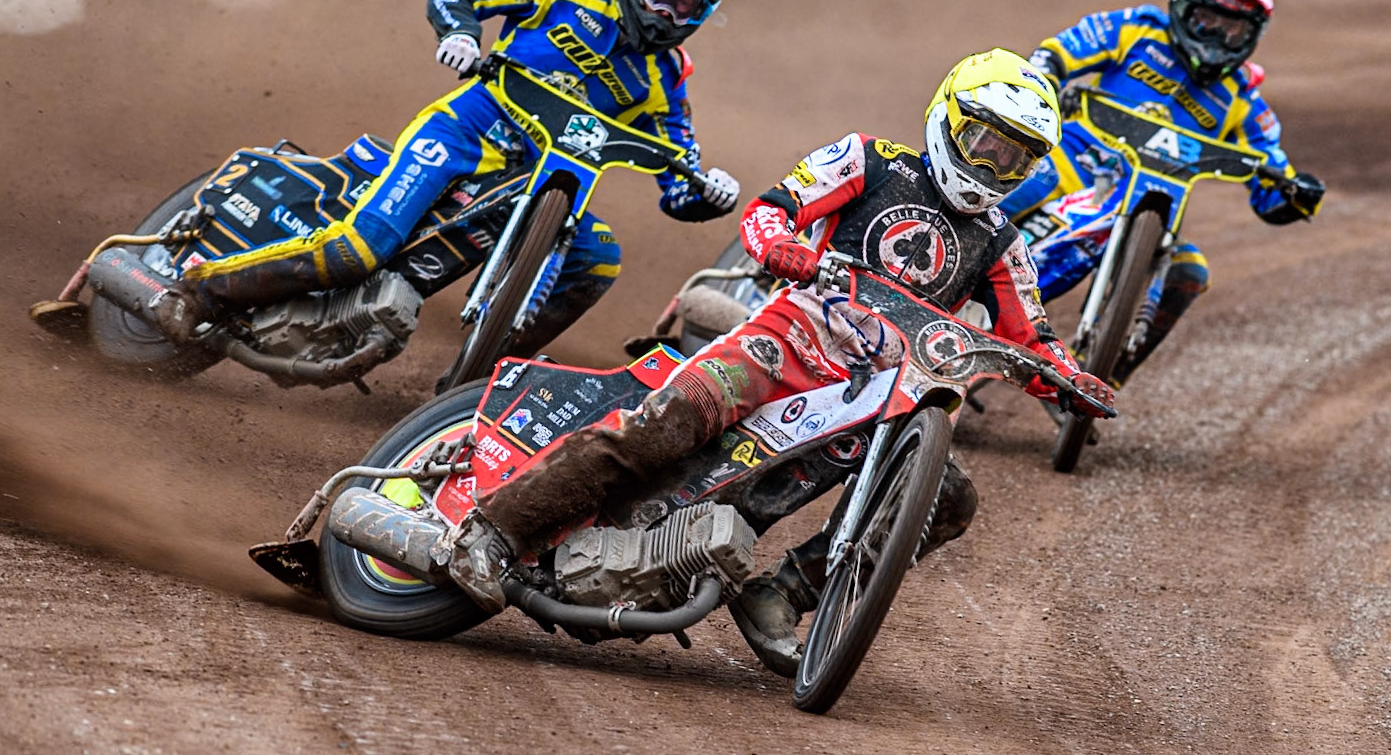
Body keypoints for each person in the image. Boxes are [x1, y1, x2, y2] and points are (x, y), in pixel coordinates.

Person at [446, 48, 1117, 676]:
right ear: (948, 118)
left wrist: (1070, 379)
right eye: (985, 143)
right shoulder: (871, 159)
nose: (993, 166)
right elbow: (770, 212)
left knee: (949, 494)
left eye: (1015, 159)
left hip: (878, 394)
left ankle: (784, 592)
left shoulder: (1001, 241)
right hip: (784, 343)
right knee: (673, 420)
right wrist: (791, 251)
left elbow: (1032, 335)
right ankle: (494, 532)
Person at [149, 0, 742, 358]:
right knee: (359, 250)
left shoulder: (665, 81)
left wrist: (708, 192)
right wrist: (460, 34)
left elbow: (677, 175)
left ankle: (480, 389)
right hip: (464, 133)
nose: (670, 15)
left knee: (600, 259)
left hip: (541, 186)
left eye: (688, 8)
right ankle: (197, 293)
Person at [1001, 0, 1326, 386]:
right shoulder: (1136, 29)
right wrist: (1048, 83)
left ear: (1254, 33)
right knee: (1019, 184)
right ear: (1180, 4)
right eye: (1207, 20)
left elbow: (1271, 179)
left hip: (1151, 214)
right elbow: (1059, 52)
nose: (1215, 37)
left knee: (1189, 272)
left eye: (1232, 28)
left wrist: (1295, 192)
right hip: (1072, 166)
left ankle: (1101, 376)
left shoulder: (1243, 99)